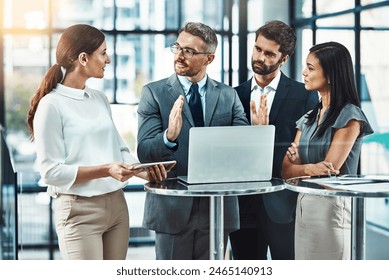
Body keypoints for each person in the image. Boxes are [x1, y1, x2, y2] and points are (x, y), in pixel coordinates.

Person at [27, 24, 172, 260]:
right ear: (83, 58)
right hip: (79, 211)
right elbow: (51, 172)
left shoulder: (99, 99)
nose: (109, 59)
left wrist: (141, 171)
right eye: (103, 53)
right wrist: (106, 170)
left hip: (117, 207)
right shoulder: (51, 106)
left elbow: (120, 149)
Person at [137, 21, 249, 260]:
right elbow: (145, 152)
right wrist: (168, 137)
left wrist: (256, 130)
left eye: (189, 51)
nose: (179, 55)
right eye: (177, 47)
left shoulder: (228, 95)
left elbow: (242, 148)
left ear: (209, 59)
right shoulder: (153, 93)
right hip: (173, 207)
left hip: (217, 207)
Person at [229, 20, 319, 260]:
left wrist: (264, 136)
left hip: (284, 205)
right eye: (257, 49)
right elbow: (229, 153)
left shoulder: (305, 97)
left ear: (284, 58)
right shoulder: (233, 96)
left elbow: (302, 154)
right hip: (243, 204)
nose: (260, 57)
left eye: (269, 53)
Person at [281, 41, 373, 259]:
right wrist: (311, 168)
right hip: (304, 205)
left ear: (331, 75)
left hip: (332, 211)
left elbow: (330, 170)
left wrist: (301, 167)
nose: (303, 72)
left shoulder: (350, 116)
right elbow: (285, 170)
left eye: (311, 68)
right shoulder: (309, 117)